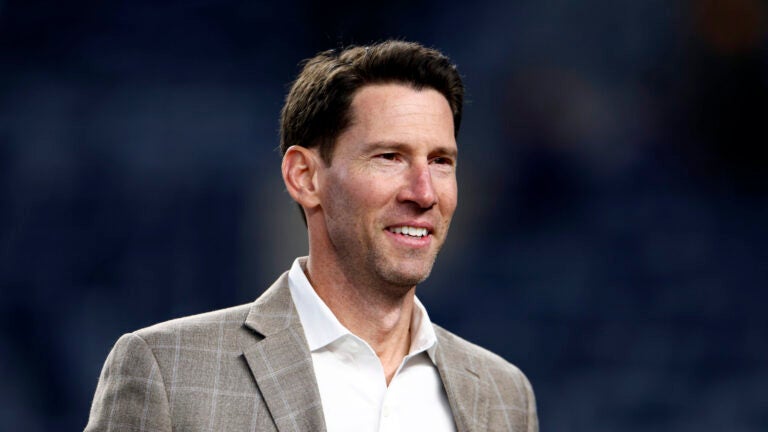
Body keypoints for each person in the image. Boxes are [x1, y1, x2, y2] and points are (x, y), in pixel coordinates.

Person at [84, 40, 538, 432]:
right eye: (389, 157)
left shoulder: (503, 395)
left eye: (441, 161)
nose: (424, 193)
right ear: (304, 177)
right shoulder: (168, 370)